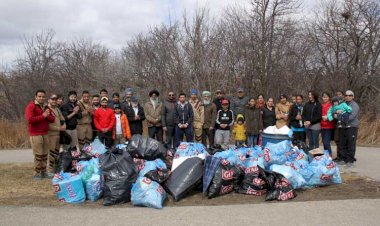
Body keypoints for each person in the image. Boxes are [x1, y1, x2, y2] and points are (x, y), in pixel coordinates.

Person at [25, 89, 55, 179]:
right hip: (35, 134)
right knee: (38, 155)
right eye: (39, 96)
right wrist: (43, 116)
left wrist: (46, 116)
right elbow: (30, 120)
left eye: (43, 96)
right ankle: (37, 174)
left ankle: (44, 172)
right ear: (36, 97)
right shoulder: (31, 106)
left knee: (45, 154)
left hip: (45, 133)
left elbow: (52, 118)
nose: (41, 98)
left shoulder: (46, 107)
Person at [337, 90, 360, 167]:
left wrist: (341, 118)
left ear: (353, 97)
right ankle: (342, 159)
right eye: (346, 95)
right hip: (343, 126)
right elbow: (337, 112)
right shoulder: (342, 104)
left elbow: (352, 117)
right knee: (342, 143)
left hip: (351, 127)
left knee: (351, 144)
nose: (347, 97)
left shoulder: (354, 105)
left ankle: (350, 160)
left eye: (350, 95)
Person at [47, 94, 66, 174]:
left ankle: (55, 168)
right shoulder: (47, 109)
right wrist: (59, 128)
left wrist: (64, 125)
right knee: (51, 153)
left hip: (58, 134)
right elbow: (47, 125)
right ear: (49, 100)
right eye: (52, 99)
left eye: (55, 99)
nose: (54, 101)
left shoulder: (57, 109)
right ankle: (49, 170)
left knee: (56, 152)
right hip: (51, 134)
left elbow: (62, 119)